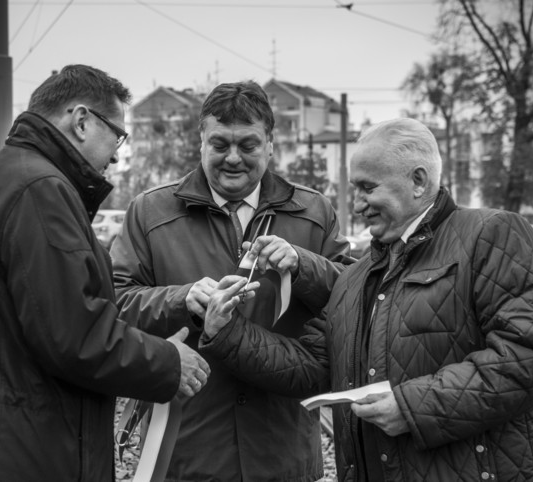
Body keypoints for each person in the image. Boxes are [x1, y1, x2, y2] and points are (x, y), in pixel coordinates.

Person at [201, 117, 533, 481]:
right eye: (354, 189)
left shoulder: (492, 234)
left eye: (367, 188)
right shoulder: (357, 277)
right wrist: (227, 332)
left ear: (418, 181)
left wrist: (412, 408)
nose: (357, 204)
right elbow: (312, 366)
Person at [0, 65, 211, 482]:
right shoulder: (41, 191)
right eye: (118, 135)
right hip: (25, 452)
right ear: (80, 122)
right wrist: (168, 363)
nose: (116, 153)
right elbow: (72, 335)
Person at [110, 81, 353, 481]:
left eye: (249, 145)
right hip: (189, 454)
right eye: (220, 144)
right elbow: (115, 305)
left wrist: (304, 265)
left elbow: (354, 298)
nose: (233, 159)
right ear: (201, 141)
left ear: (271, 144)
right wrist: (181, 299)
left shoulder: (313, 212)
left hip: (282, 453)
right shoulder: (150, 213)